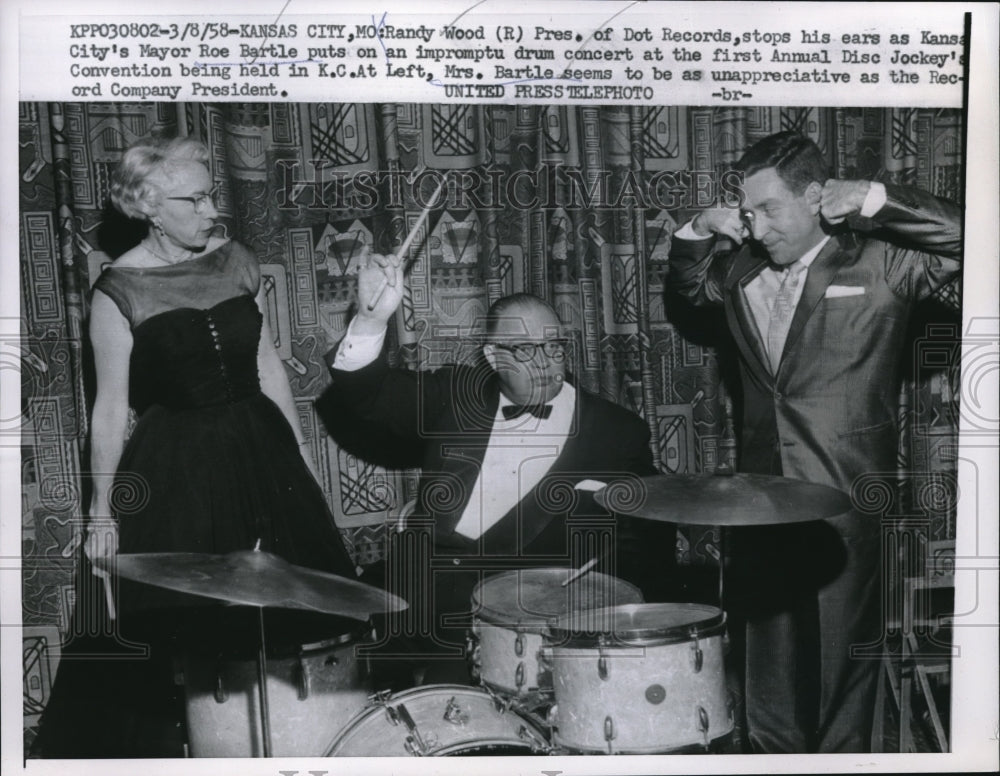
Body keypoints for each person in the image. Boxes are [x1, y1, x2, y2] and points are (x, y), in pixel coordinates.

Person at [33, 136, 357, 757]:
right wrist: (99, 514)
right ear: (148, 205)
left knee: (295, 625)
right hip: (178, 469)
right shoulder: (118, 291)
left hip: (263, 454)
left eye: (212, 195)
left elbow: (268, 367)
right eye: (197, 198)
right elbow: (107, 410)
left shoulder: (238, 261)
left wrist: (302, 460)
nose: (214, 211)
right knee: (186, 643)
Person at [667, 131, 962, 753]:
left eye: (770, 209)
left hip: (846, 496)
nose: (757, 226)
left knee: (840, 666)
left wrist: (877, 199)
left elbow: (971, 239)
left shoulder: (883, 261)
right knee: (764, 661)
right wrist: (699, 226)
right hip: (759, 502)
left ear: (815, 197)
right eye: (747, 212)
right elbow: (690, 291)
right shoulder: (743, 265)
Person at [316, 255, 678, 685]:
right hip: (419, 597)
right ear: (492, 355)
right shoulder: (454, 395)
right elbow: (368, 395)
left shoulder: (616, 432)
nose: (545, 364)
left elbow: (646, 541)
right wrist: (371, 319)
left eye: (554, 347)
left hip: (526, 620)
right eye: (525, 350)